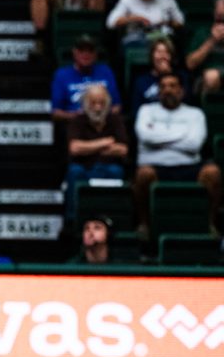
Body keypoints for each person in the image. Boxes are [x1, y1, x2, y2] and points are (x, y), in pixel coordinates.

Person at [133, 73, 220, 234]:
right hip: (155, 166)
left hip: (189, 166)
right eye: (163, 86)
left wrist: (159, 138)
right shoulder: (146, 110)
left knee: (213, 173)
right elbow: (146, 137)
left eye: (172, 86)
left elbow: (194, 144)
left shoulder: (195, 114)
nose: (168, 90)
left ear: (181, 91)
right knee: (143, 175)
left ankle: (210, 224)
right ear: (158, 92)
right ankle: (144, 225)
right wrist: (182, 134)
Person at [65, 83, 128, 222]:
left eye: (102, 103)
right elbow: (74, 148)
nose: (98, 107)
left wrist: (88, 148)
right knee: (74, 172)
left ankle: (114, 218)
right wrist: (105, 142)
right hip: (83, 167)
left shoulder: (116, 120)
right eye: (93, 103)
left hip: (109, 167)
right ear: (85, 104)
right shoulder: (77, 121)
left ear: (108, 104)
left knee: (116, 171)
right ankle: (73, 219)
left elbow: (123, 149)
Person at [50, 34, 121, 122]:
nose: (86, 54)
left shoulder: (106, 71)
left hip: (103, 123)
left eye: (90, 50)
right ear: (74, 52)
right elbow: (56, 112)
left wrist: (99, 116)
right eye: (81, 50)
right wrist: (77, 116)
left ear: (95, 54)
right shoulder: (62, 75)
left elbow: (116, 107)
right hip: (74, 123)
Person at [105, 0, 183, 46]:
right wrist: (135, 18)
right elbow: (110, 23)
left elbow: (180, 21)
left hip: (162, 36)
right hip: (137, 37)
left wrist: (166, 22)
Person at [129, 37, 187, 115]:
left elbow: (186, 105)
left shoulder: (181, 77)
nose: (162, 56)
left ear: (171, 56)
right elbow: (136, 111)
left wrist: (168, 74)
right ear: (152, 56)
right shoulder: (141, 81)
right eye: (158, 52)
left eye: (166, 52)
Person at [186, 0, 224, 94]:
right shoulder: (202, 33)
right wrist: (211, 41)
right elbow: (190, 64)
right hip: (205, 77)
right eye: (219, 15)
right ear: (214, 12)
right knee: (211, 77)